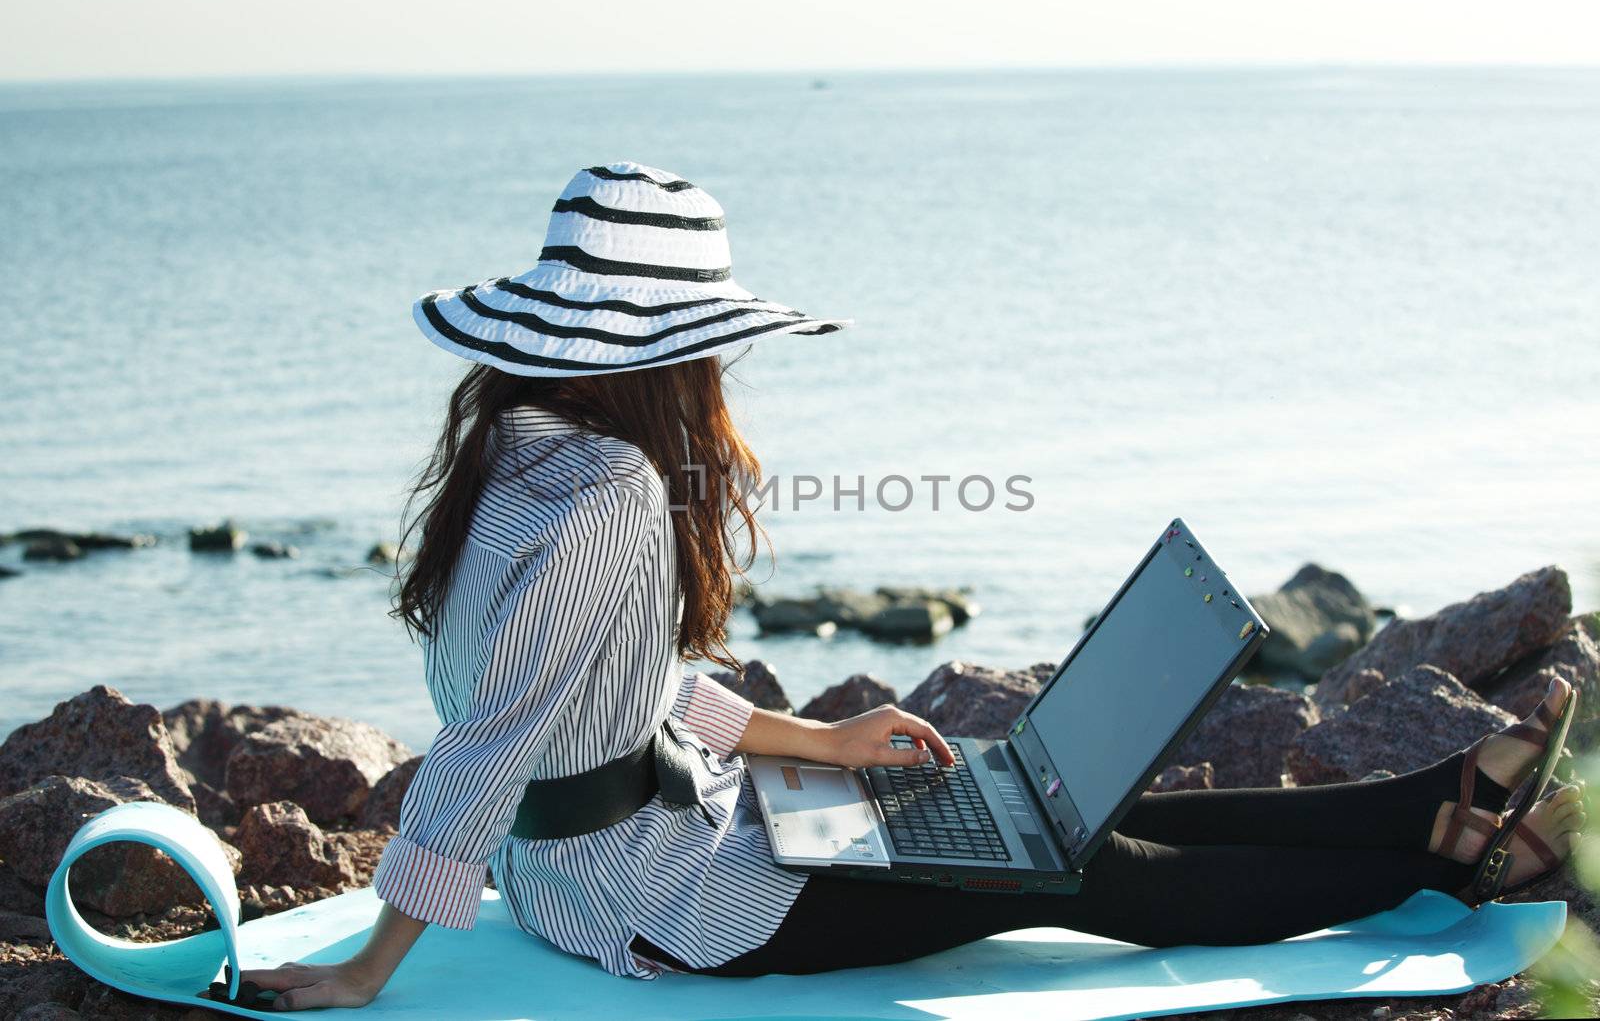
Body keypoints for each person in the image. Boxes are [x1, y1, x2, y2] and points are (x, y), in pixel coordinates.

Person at [243, 162, 1585, 1011]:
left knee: (1039, 812)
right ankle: (1446, 843)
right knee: (1079, 871)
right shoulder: (610, 492)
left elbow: (622, 685)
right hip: (667, 900)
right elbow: (496, 738)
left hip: (632, 851)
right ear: (667, 354)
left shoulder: (508, 449)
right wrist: (377, 964)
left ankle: (1437, 811)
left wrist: (817, 741)